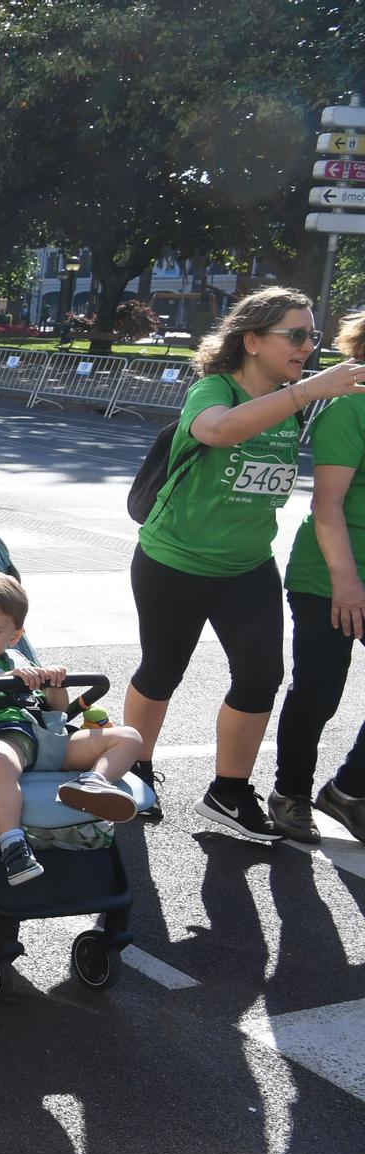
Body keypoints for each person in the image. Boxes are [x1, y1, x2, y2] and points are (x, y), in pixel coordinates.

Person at [126, 287, 365, 841]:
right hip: (174, 560)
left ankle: (229, 790)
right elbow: (217, 430)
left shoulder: (292, 399)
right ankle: (133, 771)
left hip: (247, 566)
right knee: (162, 671)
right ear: (252, 340)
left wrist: (303, 392)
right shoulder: (216, 389)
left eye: (314, 336)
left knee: (261, 677)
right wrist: (307, 390)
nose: (308, 346)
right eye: (296, 335)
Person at [0, 572, 145, 884]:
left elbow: (57, 711)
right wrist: (11, 680)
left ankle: (93, 782)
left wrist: (55, 683)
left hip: (45, 739)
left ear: (14, 636)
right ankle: (13, 845)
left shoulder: (17, 658)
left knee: (128, 737)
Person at [273, 308, 365, 843]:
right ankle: (291, 794)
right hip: (329, 573)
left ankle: (349, 789)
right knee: (319, 691)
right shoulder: (351, 407)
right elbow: (327, 507)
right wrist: (347, 583)